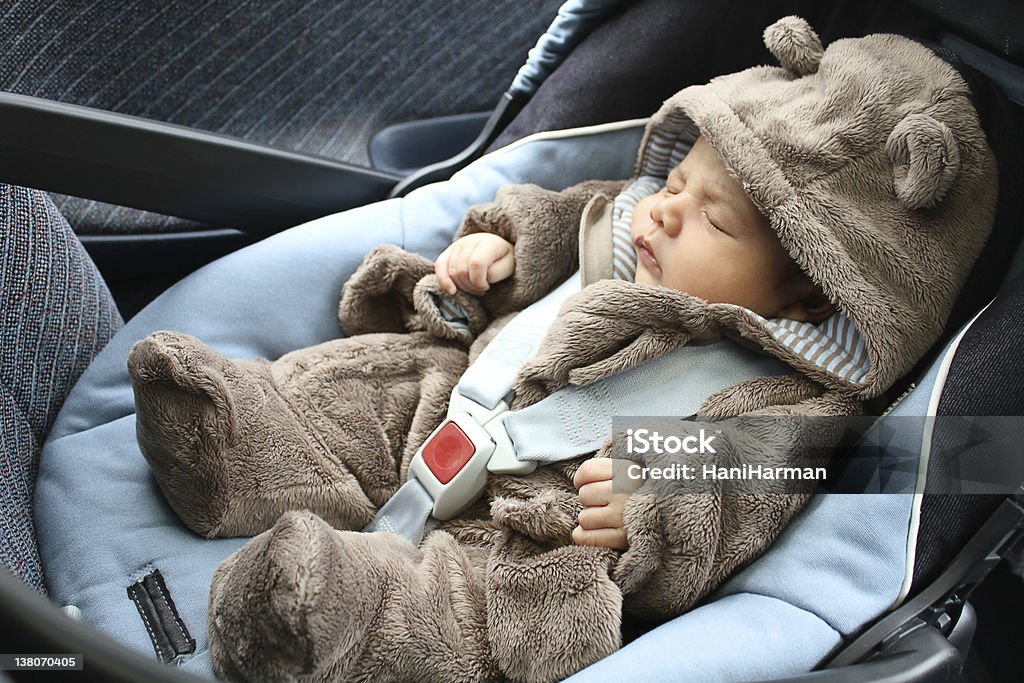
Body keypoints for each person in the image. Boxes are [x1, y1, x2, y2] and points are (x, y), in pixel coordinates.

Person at [126, 17, 997, 683]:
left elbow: (754, 480)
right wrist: (494, 254)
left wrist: (655, 501)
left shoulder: (792, 395)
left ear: (810, 285)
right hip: (454, 397)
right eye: (679, 178)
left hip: (543, 530)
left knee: (474, 617)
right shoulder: (634, 221)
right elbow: (560, 215)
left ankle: (326, 610)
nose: (663, 208)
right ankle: (235, 441)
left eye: (714, 216)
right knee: (359, 389)